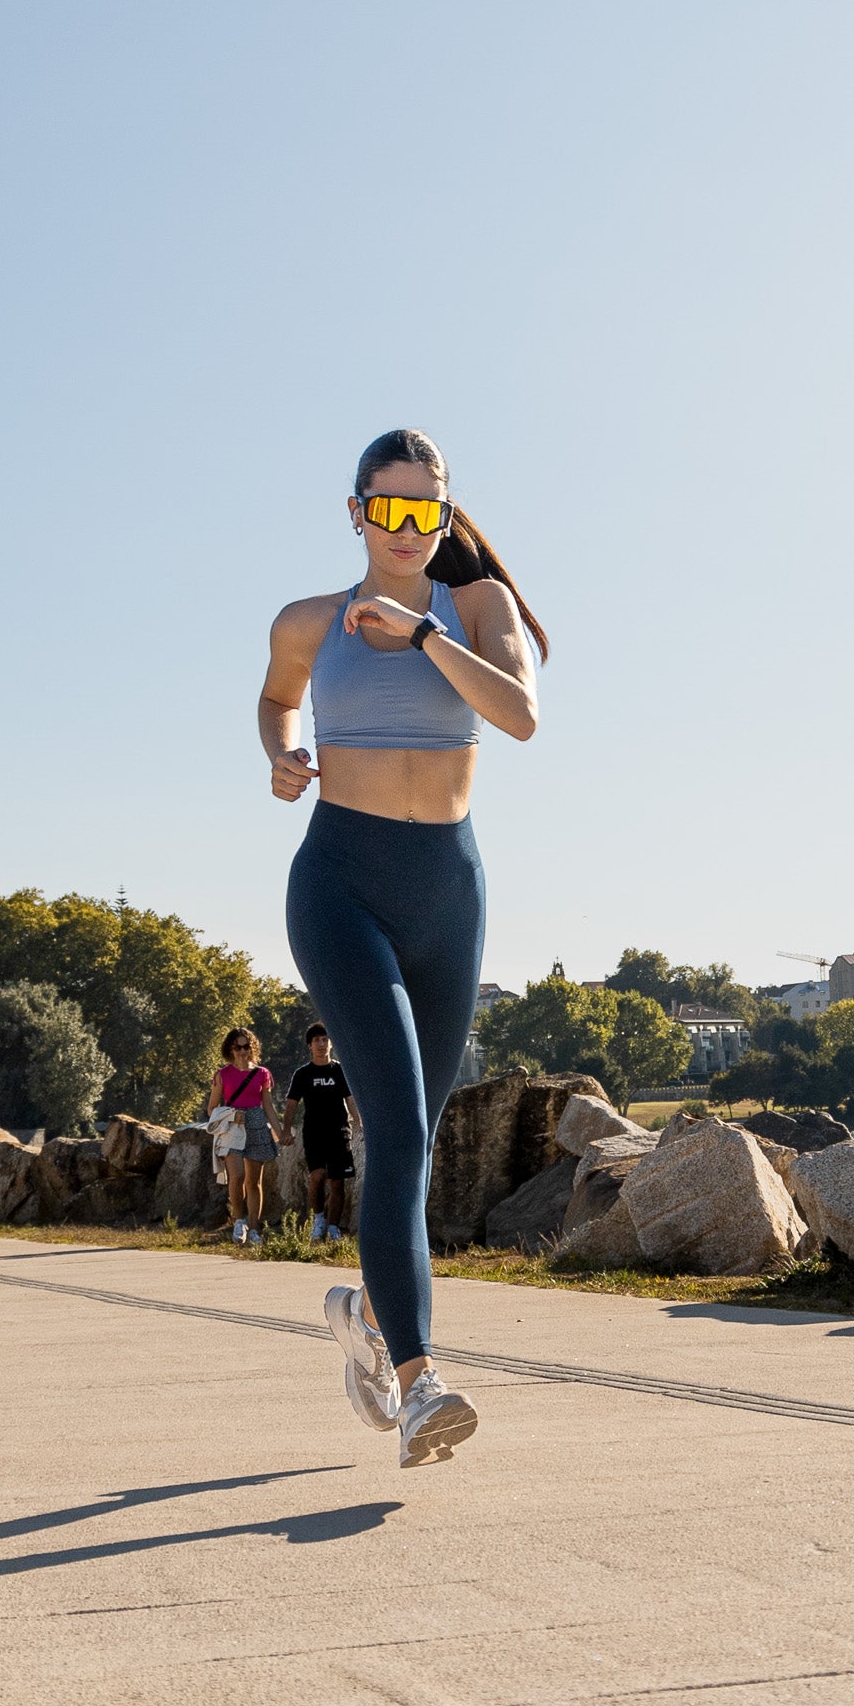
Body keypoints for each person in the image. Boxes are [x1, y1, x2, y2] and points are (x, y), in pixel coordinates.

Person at [259, 428, 544, 1469]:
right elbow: (275, 696)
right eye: (387, 508)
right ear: (355, 513)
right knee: (389, 1117)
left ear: (442, 509)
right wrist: (283, 753)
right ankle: (422, 1382)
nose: (407, 526)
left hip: (447, 891)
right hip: (339, 881)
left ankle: (369, 1318)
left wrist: (422, 634)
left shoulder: (476, 609)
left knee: (413, 1141)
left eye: (424, 507)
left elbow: (518, 715)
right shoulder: (308, 619)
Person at [210, 1028, 291, 1244]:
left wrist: (280, 1131)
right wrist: (230, 1116)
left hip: (256, 1124)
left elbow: (269, 1107)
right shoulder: (222, 1075)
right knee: (236, 1176)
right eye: (238, 1047)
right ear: (231, 1049)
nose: (243, 1051)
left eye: (247, 1046)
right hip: (233, 1127)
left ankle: (254, 1229)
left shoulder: (262, 1074)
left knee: (254, 1182)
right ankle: (239, 1220)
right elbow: (211, 1109)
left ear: (252, 1047)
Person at [285, 1021, 361, 1241]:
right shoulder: (303, 1074)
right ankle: (318, 1219)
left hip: (339, 1131)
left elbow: (350, 1098)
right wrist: (285, 1129)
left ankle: (333, 1227)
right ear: (310, 1045)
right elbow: (291, 1104)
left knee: (337, 1180)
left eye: (325, 1039)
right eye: (317, 1040)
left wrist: (357, 1123)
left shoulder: (339, 1070)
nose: (321, 1044)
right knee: (317, 1176)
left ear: (331, 1044)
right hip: (313, 1132)